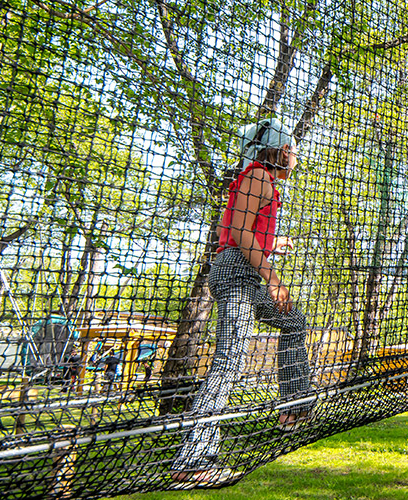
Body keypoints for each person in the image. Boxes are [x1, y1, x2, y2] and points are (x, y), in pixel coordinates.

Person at [171, 119, 312, 484]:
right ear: (283, 151)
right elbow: (235, 233)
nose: (296, 157)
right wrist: (274, 278)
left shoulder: (255, 180)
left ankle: (293, 410)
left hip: (241, 271)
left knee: (295, 322)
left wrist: (272, 244)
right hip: (237, 275)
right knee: (229, 359)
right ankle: (194, 460)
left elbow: (229, 230)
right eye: (294, 151)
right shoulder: (258, 176)